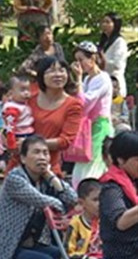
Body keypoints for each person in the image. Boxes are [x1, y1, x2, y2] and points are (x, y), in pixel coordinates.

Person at [0, 135, 77, 259]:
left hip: (33, 243)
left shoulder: (45, 179)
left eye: (45, 153)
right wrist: (62, 207)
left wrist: (51, 176)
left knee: (60, 254)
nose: (42, 157)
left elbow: (73, 198)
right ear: (23, 158)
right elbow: (46, 202)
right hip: (8, 247)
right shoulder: (15, 178)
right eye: (36, 152)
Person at [27, 56, 83, 177]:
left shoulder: (73, 105)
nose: (58, 75)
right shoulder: (29, 99)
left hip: (49, 168)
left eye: (62, 70)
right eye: (51, 71)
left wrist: (30, 146)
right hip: (21, 165)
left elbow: (65, 141)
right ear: (41, 76)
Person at [71, 41, 113, 187]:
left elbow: (85, 104)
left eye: (81, 59)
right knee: (85, 165)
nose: (78, 64)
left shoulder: (102, 78)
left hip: (99, 127)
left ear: (92, 58)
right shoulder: (88, 78)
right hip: (88, 127)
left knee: (91, 166)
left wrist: (77, 79)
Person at [99, 131, 138, 259]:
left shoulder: (134, 181)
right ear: (121, 160)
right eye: (136, 159)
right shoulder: (112, 188)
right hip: (126, 257)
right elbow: (121, 222)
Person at [66, 179, 107, 259]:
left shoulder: (106, 220)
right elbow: (67, 253)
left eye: (102, 199)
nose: (100, 204)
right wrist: (86, 258)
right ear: (81, 202)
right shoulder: (76, 223)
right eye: (95, 200)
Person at [3, 75, 34, 172]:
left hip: (28, 133)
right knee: (17, 160)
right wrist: (12, 144)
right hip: (19, 135)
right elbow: (10, 126)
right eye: (22, 90)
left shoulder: (24, 104)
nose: (26, 93)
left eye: (28, 90)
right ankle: (9, 175)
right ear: (11, 93)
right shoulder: (12, 108)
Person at [99, 12, 128, 97]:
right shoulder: (103, 41)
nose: (104, 24)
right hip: (103, 82)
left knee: (116, 109)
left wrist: (102, 61)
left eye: (108, 22)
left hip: (115, 84)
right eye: (103, 22)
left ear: (116, 25)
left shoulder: (120, 42)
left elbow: (117, 64)